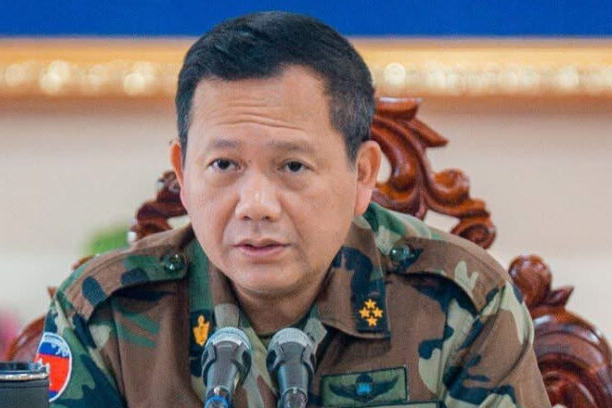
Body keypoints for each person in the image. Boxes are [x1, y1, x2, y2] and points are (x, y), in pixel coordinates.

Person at [35, 11, 551, 408]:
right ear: (183, 173)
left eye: (293, 166)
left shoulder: (463, 303)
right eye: (224, 164)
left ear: (362, 175)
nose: (256, 205)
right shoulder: (105, 313)